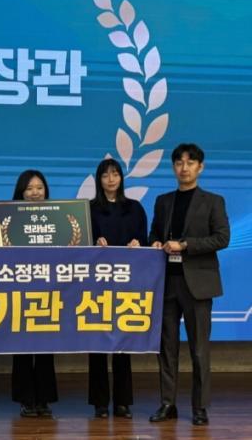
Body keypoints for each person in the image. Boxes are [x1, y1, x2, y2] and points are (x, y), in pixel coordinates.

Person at [148, 143, 230, 426]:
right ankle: (167, 403)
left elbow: (222, 238)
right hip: (166, 283)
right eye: (179, 162)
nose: (184, 167)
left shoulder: (213, 201)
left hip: (198, 284)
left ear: (200, 167)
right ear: (173, 167)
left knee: (199, 349)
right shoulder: (163, 201)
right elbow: (154, 234)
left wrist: (184, 245)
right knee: (166, 348)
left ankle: (200, 407)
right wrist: (155, 242)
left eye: (190, 162)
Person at [87, 158, 147, 419]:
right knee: (97, 343)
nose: (110, 179)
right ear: (98, 180)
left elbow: (145, 241)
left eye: (115, 174)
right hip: (96, 285)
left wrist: (138, 244)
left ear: (121, 178)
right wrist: (94, 243)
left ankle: (123, 402)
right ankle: (100, 402)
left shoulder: (134, 208)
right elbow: (81, 244)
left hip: (126, 283)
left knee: (123, 344)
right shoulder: (89, 209)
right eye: (105, 175)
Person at [11, 169, 58, 418]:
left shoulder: (57, 218)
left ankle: (44, 399)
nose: (35, 193)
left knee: (45, 346)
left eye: (39, 188)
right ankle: (25, 398)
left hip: (48, 290)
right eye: (29, 188)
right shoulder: (8, 219)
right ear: (21, 192)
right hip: (18, 290)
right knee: (22, 347)